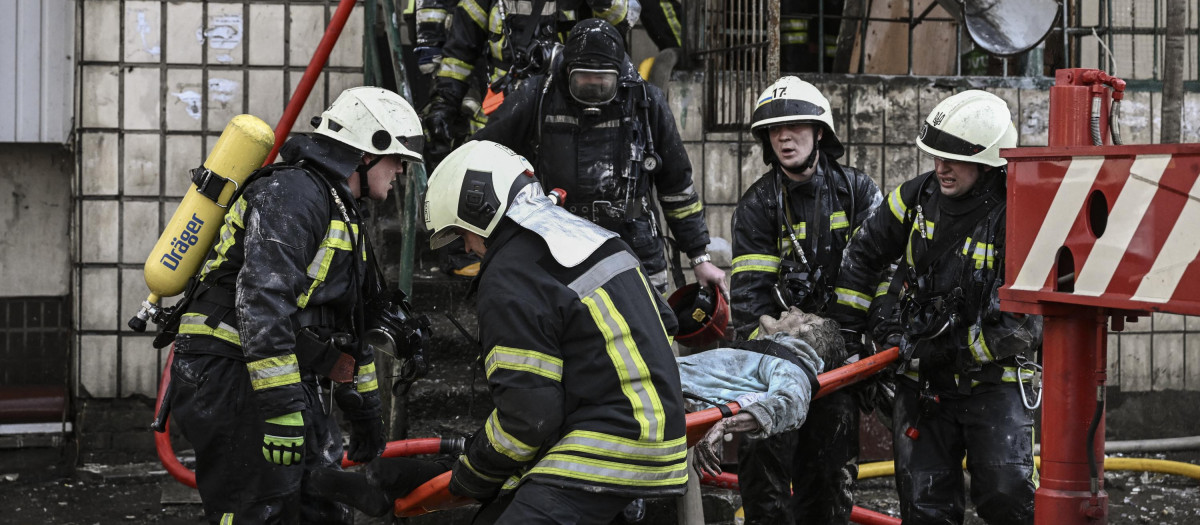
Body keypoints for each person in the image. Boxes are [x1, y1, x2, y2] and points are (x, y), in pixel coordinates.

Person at [166, 87, 424, 524]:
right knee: (257, 508)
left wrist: (365, 410)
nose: (401, 169)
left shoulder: (343, 210)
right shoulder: (293, 193)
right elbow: (262, 303)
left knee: (317, 508)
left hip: (271, 378)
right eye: (397, 157)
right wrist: (283, 407)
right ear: (366, 151)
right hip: (231, 373)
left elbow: (347, 325)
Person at [425, 139, 688, 523]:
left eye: (462, 232)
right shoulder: (595, 237)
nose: (468, 247)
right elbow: (665, 324)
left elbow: (529, 418)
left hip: (601, 450)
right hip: (661, 445)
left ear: (479, 206)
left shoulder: (508, 275)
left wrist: (473, 474)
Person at [828, 89, 1043, 524]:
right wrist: (865, 329)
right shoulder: (915, 198)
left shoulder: (1018, 215)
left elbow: (1024, 324)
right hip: (920, 384)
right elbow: (862, 255)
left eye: (953, 159)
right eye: (935, 156)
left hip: (993, 384)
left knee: (1007, 498)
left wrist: (953, 350)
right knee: (925, 509)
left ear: (988, 162)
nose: (940, 168)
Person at [474, 18, 725, 296]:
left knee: (648, 327)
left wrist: (699, 257)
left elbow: (676, 187)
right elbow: (484, 155)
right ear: (567, 72)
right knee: (567, 325)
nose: (593, 93)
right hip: (558, 244)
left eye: (602, 84)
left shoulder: (646, 102)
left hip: (634, 245)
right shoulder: (538, 95)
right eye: (583, 83)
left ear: (619, 77)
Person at [728, 75, 881, 524]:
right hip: (776, 360)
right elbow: (750, 297)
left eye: (794, 127)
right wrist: (772, 356)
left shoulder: (856, 192)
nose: (783, 137)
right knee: (763, 476)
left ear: (820, 133)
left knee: (829, 477)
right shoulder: (758, 205)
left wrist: (854, 340)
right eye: (774, 130)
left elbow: (879, 271)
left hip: (841, 359)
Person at [423, 0, 632, 162]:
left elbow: (620, 23)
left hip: (566, 118)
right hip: (502, 116)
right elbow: (459, 53)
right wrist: (444, 104)